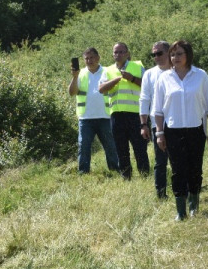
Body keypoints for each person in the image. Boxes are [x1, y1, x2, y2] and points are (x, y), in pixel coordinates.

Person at [153, 40, 208, 220]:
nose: (175, 58)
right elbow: (158, 110)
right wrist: (159, 133)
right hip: (172, 131)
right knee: (177, 170)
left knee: (195, 168)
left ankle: (193, 205)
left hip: (196, 130)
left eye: (179, 54)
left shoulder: (201, 76)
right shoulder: (164, 78)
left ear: (188, 55)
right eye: (173, 54)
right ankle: (180, 210)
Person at [99, 42, 148, 180]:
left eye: (121, 52)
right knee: (121, 148)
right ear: (112, 54)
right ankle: (126, 176)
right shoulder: (108, 70)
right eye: (116, 52)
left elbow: (147, 85)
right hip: (116, 115)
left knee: (139, 148)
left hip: (136, 115)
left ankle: (144, 174)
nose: (118, 55)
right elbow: (101, 89)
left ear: (127, 53)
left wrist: (131, 78)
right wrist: (116, 80)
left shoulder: (137, 66)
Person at [69, 47, 120, 174]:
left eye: (91, 57)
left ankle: (114, 170)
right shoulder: (80, 74)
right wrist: (74, 77)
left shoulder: (107, 71)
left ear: (98, 58)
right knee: (83, 146)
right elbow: (72, 93)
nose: (89, 60)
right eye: (86, 58)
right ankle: (83, 172)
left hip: (105, 116)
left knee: (110, 146)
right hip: (86, 118)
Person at [139, 41, 173, 198]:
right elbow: (144, 99)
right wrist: (143, 124)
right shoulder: (149, 74)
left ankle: (181, 190)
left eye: (159, 53)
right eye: (153, 54)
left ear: (168, 52)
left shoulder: (178, 70)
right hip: (157, 123)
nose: (156, 57)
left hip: (178, 122)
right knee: (160, 161)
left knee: (178, 159)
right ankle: (161, 194)